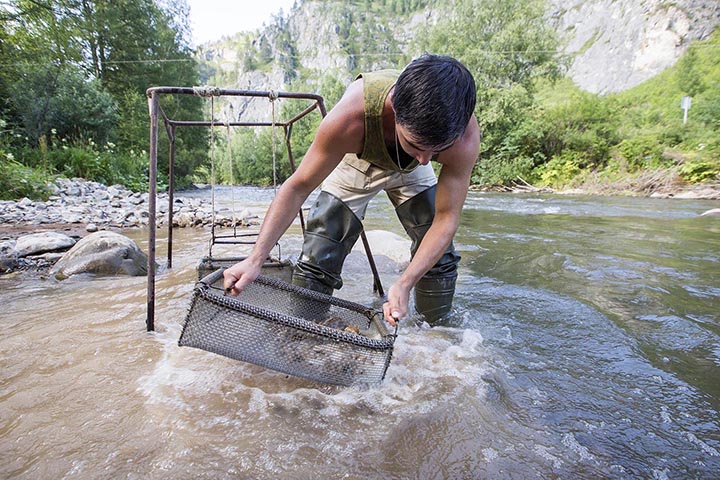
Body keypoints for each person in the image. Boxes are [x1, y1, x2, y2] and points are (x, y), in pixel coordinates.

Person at [223, 53, 480, 326]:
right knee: (321, 250)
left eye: (437, 151)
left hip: (412, 170)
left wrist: (405, 282)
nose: (426, 160)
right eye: (416, 144)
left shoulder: (462, 136)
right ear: (394, 110)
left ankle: (436, 336)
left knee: (440, 256)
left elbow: (446, 219)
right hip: (359, 155)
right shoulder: (350, 118)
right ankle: (303, 333)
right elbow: (298, 187)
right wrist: (255, 259)